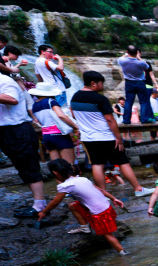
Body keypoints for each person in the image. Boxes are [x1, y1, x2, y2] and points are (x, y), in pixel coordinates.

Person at [69, 71, 154, 197]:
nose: (102, 86)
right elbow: (110, 119)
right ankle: (138, 189)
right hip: (106, 136)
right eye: (101, 83)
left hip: (88, 138)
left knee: (97, 165)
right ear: (93, 83)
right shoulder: (100, 99)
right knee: (123, 162)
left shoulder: (74, 97)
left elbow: (73, 114)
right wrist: (118, 138)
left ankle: (102, 195)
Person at [38, 159, 128, 255]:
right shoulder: (82, 179)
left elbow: (55, 202)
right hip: (106, 207)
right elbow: (101, 190)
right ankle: (84, 227)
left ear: (55, 173)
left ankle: (122, 252)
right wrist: (114, 198)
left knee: (107, 234)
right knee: (72, 205)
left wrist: (44, 212)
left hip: (99, 213)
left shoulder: (65, 186)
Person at [0, 68, 47, 215]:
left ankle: (40, 205)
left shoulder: (4, 81)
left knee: (28, 166)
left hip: (17, 130)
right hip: (6, 130)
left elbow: (12, 99)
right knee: (22, 166)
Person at [30, 84, 79, 164]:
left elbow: (38, 120)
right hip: (59, 135)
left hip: (46, 136)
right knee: (69, 165)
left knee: (58, 167)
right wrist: (75, 126)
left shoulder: (34, 105)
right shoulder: (51, 102)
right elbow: (61, 115)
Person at [118, 45, 155, 124]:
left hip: (129, 82)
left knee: (128, 102)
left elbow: (120, 58)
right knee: (143, 102)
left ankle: (126, 120)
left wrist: (126, 54)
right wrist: (139, 57)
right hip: (140, 82)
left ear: (128, 52)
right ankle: (144, 119)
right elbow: (147, 67)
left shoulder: (123, 61)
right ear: (137, 53)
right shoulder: (140, 62)